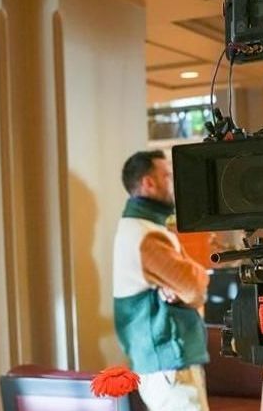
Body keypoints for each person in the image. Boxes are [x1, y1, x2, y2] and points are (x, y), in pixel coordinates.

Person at [113, 150, 210, 411]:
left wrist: (185, 286)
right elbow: (196, 287)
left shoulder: (143, 227)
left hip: (164, 363)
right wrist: (192, 284)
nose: (174, 183)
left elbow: (189, 285)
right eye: (167, 176)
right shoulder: (147, 236)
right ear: (149, 183)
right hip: (169, 363)